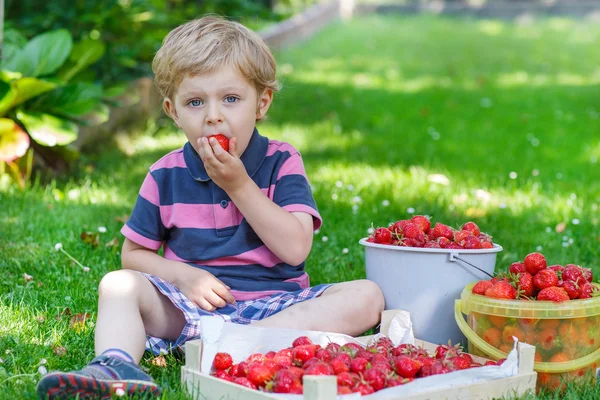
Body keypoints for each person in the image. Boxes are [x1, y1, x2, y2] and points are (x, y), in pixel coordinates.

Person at [37, 15, 384, 399]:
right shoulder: (164, 175)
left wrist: (237, 184)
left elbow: (296, 247)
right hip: (192, 312)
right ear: (173, 111)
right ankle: (115, 366)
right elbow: (133, 256)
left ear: (261, 103)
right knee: (118, 285)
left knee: (367, 296)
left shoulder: (282, 161)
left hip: (277, 311)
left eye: (231, 99)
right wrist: (183, 277)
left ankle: (242, 344)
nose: (213, 115)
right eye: (195, 101)